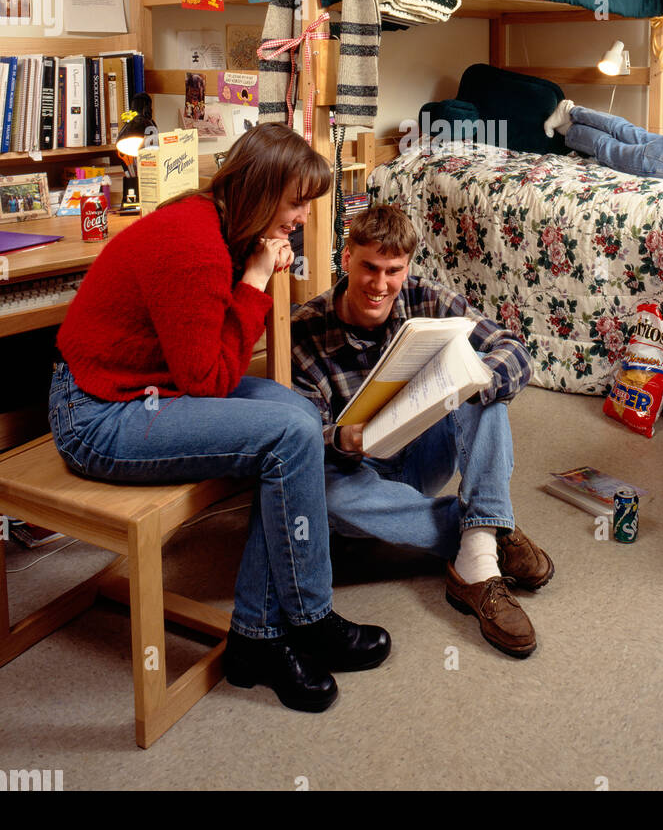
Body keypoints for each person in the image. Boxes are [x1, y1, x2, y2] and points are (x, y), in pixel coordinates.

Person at [51, 123, 390, 713]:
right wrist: (257, 280)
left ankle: (256, 636)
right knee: (286, 434)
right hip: (98, 414)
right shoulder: (195, 244)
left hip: (146, 388)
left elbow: (210, 366)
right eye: (295, 204)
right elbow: (210, 381)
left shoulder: (219, 224)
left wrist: (255, 268)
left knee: (297, 414)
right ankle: (308, 618)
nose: (302, 218)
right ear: (259, 194)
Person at [290, 205, 553, 658]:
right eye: (369, 267)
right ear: (346, 256)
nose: (379, 285)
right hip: (360, 482)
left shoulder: (426, 297)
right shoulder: (304, 330)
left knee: (482, 389)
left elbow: (513, 348)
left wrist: (478, 379)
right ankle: (483, 536)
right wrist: (339, 438)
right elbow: (302, 432)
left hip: (421, 456)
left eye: (393, 271)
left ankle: (478, 557)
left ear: (408, 266)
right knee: (323, 494)